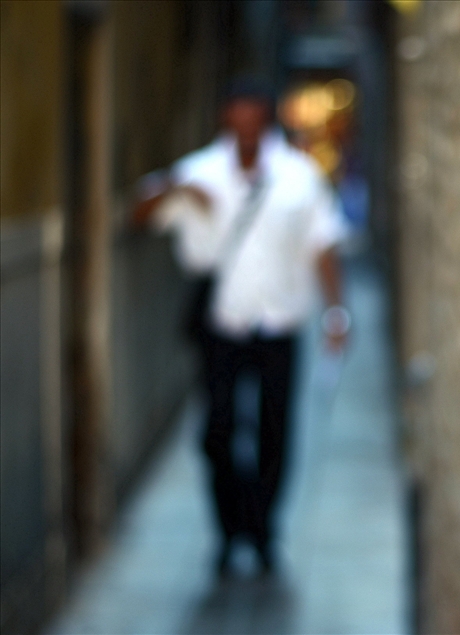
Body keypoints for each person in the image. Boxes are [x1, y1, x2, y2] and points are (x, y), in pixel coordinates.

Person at [132, 78, 350, 575]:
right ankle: (229, 532)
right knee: (218, 433)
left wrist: (337, 312)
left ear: (267, 118)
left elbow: (325, 243)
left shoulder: (298, 175)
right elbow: (139, 215)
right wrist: (177, 187)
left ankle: (264, 529)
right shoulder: (200, 171)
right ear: (225, 118)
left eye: (254, 115)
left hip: (280, 324)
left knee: (275, 433)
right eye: (237, 114)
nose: (246, 124)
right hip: (221, 328)